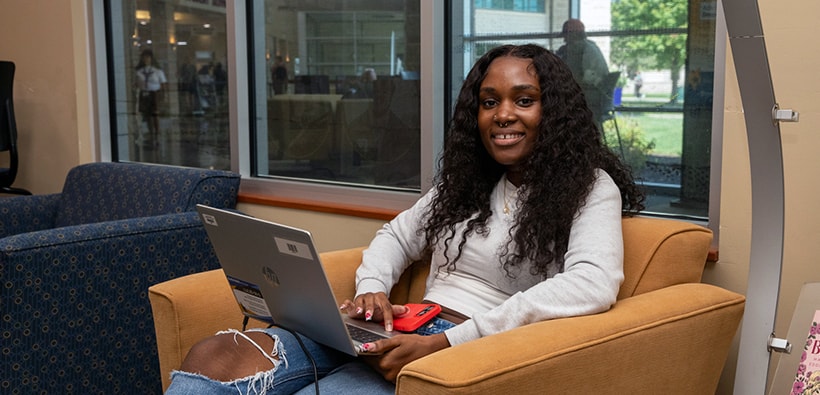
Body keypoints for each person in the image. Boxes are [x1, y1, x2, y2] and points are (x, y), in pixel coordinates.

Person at [164, 44, 644, 394]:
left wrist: (450, 343)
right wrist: (373, 287)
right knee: (214, 355)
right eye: (489, 101)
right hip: (402, 329)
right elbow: (397, 234)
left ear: (554, 112)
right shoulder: (468, 181)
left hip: (465, 350)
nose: (502, 115)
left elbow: (593, 283)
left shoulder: (589, 187)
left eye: (523, 100)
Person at [555, 19, 610, 129]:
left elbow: (586, 78)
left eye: (566, 35)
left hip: (588, 100)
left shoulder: (581, 50)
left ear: (574, 34)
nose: (564, 39)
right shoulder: (590, 47)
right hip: (595, 99)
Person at [134, 49, 167, 147]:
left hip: (154, 93)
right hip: (144, 94)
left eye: (148, 57)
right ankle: (150, 132)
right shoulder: (139, 72)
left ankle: (157, 132)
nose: (146, 59)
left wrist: (164, 96)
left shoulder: (157, 71)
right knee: (147, 115)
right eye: (144, 57)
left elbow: (163, 84)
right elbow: (135, 84)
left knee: (155, 114)